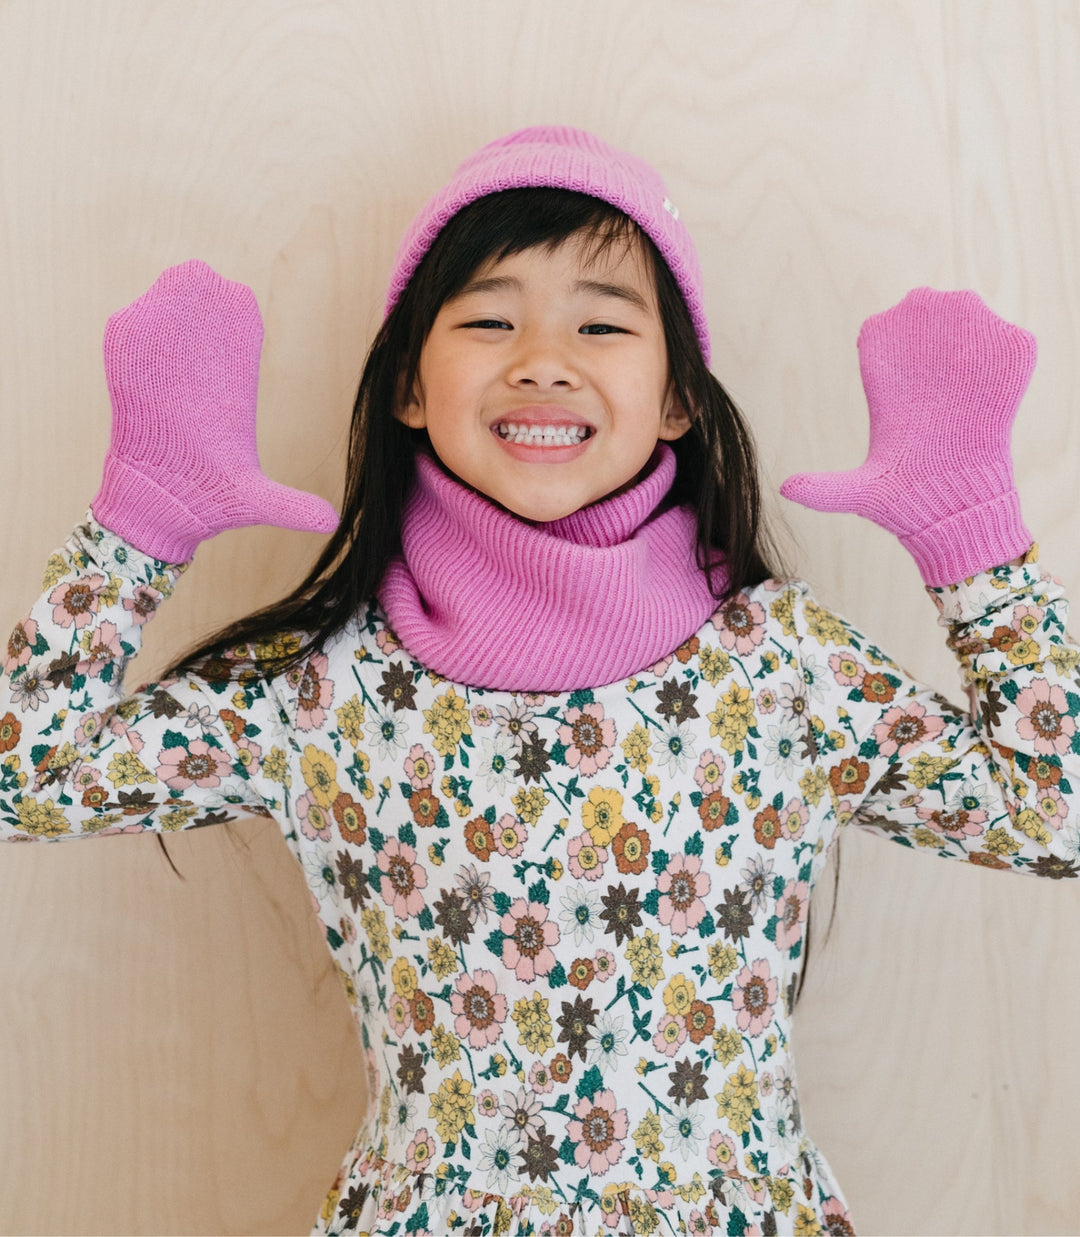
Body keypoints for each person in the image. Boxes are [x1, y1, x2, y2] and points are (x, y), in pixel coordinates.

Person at [2, 125, 1075, 1237]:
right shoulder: (321, 690)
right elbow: (24, 776)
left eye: (603, 323)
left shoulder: (783, 667)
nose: (543, 359)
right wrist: (143, 521)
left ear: (678, 401)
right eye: (487, 318)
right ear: (412, 383)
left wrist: (972, 543)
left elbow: (1058, 812)